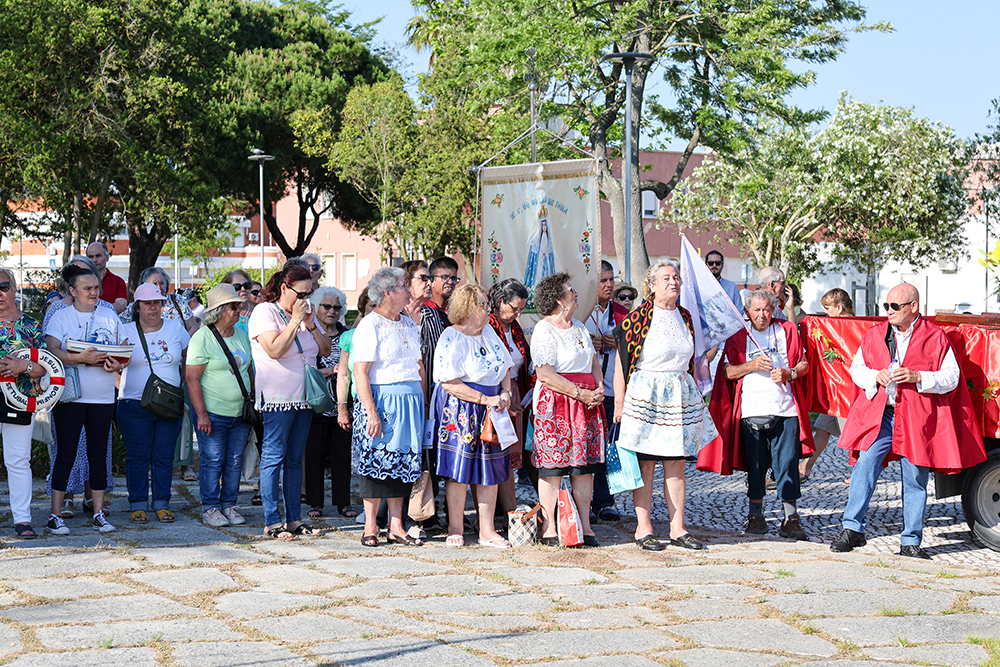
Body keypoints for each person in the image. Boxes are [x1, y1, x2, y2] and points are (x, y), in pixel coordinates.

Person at [831, 283, 986, 559]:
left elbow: (952, 378)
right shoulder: (875, 334)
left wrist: (919, 377)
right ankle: (852, 529)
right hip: (883, 414)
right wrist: (875, 376)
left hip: (916, 418)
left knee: (915, 477)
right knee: (865, 465)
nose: (888, 311)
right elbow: (857, 369)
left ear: (913, 307)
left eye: (895, 306)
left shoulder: (934, 336)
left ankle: (910, 542)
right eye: (886, 306)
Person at [613, 260, 719, 551]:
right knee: (646, 464)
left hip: (678, 396)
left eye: (676, 277)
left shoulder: (685, 316)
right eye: (666, 278)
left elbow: (695, 358)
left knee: (676, 465)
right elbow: (622, 363)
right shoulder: (637, 318)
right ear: (652, 285)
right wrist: (619, 402)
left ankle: (678, 528)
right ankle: (643, 529)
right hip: (646, 395)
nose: (673, 282)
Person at [700, 289, 814, 540]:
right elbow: (727, 372)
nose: (762, 315)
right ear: (747, 311)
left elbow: (804, 364)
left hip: (785, 410)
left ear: (773, 310)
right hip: (751, 411)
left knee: (787, 466)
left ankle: (791, 519)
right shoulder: (739, 335)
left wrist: (789, 373)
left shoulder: (787, 330)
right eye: (757, 310)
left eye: (766, 310)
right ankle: (755, 517)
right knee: (755, 467)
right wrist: (751, 365)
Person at [428, 285, 514, 548]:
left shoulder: (489, 332)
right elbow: (448, 382)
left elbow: (506, 367)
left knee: (490, 468)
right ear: (466, 307)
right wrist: (485, 399)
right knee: (459, 468)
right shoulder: (451, 336)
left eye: (488, 304)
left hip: (493, 407)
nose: (488, 309)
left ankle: (487, 530)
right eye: (483, 304)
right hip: (462, 409)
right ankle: (455, 527)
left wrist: (506, 392)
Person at [44, 264, 128, 534]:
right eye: (87, 288)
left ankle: (98, 513)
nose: (94, 292)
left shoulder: (108, 314)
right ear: (72, 290)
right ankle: (55, 515)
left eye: (96, 287)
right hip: (70, 397)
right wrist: (79, 358)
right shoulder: (61, 316)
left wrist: (118, 365)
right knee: (66, 453)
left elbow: (123, 350)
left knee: (98, 455)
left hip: (103, 397)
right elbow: (51, 350)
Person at [249, 263, 330, 539]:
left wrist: (311, 325)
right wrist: (295, 322)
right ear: (284, 288)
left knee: (296, 459)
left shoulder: (306, 314)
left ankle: (294, 518)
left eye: (309, 294)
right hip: (278, 398)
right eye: (301, 294)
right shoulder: (265, 312)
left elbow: (325, 350)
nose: (305, 299)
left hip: (304, 398)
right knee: (273, 456)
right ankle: (272, 520)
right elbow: (274, 349)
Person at [352, 267, 426, 547]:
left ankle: (396, 525)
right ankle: (370, 525)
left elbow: (418, 365)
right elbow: (360, 372)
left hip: (410, 400)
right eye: (404, 285)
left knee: (403, 462)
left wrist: (423, 401)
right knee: (376, 461)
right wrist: (371, 412)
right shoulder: (370, 324)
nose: (408, 289)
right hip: (382, 399)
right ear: (388, 293)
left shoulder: (408, 323)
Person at [530, 272, 605, 547]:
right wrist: (578, 393)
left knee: (583, 468)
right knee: (553, 467)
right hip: (557, 403)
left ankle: (584, 525)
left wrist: (599, 388)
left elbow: (593, 362)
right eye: (571, 290)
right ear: (558, 299)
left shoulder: (580, 327)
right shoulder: (544, 329)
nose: (576, 293)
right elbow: (545, 374)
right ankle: (549, 526)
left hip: (587, 405)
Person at [118, 284, 190, 523]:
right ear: (137, 307)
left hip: (169, 404)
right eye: (147, 303)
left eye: (157, 303)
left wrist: (181, 384)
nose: (153, 307)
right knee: (137, 457)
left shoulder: (175, 328)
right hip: (133, 404)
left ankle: (162, 503)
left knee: (164, 456)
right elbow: (115, 362)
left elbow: (188, 357)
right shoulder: (125, 330)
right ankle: (138, 504)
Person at [187, 283, 253, 527]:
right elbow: (192, 379)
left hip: (240, 413)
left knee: (234, 461)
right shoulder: (202, 338)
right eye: (233, 306)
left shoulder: (241, 335)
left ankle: (230, 505)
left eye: (238, 305)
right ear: (218, 310)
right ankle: (210, 507)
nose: (238, 310)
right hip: (213, 413)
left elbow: (249, 370)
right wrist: (201, 414)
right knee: (213, 461)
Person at [0, 269, 49, 539]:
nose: (0, 293)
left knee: (18, 460)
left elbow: (46, 367)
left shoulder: (30, 325)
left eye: (4, 286)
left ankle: (22, 519)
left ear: (14, 289)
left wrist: (24, 366)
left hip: (19, 398)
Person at [303, 286, 355, 519]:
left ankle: (343, 502)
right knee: (314, 456)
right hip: (315, 405)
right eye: (327, 306)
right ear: (316, 307)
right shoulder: (307, 335)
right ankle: (315, 503)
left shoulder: (346, 336)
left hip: (342, 405)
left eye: (336, 307)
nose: (332, 311)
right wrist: (330, 371)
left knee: (341, 457)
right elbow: (304, 369)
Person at [584, 260, 627, 523]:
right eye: (603, 280)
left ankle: (604, 501)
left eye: (611, 279)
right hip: (587, 390)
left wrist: (619, 344)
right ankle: (582, 501)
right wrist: (590, 344)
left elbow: (636, 351)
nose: (609, 285)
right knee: (587, 446)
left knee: (608, 447)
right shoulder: (580, 312)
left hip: (612, 388)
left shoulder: (622, 313)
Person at [419, 256, 458, 529]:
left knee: (452, 451)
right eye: (444, 277)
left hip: (456, 395)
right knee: (429, 454)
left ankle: (453, 511)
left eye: (453, 277)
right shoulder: (424, 312)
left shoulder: (456, 312)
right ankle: (427, 513)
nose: (450, 282)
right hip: (431, 393)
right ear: (431, 280)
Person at [799, 288, 855, 481]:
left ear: (839, 308)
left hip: (848, 391)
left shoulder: (853, 326)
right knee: (822, 428)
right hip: (836, 389)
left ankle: (859, 474)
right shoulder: (834, 325)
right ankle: (805, 467)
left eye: (827, 307)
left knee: (853, 435)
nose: (824, 312)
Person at [487, 278, 533, 504]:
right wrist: (505, 394)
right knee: (497, 452)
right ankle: (504, 508)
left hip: (516, 391)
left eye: (521, 309)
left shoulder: (515, 328)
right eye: (515, 308)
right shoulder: (487, 326)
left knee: (511, 455)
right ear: (500, 301)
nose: (518, 314)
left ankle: (508, 508)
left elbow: (524, 360)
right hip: (496, 392)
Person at [121, 267, 199, 336]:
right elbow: (118, 327)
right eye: (154, 284)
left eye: (162, 283)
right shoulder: (137, 306)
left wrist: (183, 344)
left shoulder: (177, 300)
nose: (159, 287)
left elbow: (193, 327)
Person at [86, 242, 127, 313]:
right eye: (91, 256)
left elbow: (120, 307)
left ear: (107, 257)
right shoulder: (81, 281)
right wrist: (111, 307)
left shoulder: (118, 282)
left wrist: (92, 308)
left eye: (98, 256)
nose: (94, 260)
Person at [524, 206, 555, 291]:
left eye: (545, 225)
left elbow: (549, 251)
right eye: (542, 225)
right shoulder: (537, 239)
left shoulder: (547, 238)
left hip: (546, 261)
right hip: (539, 261)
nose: (544, 227)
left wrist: (546, 255)